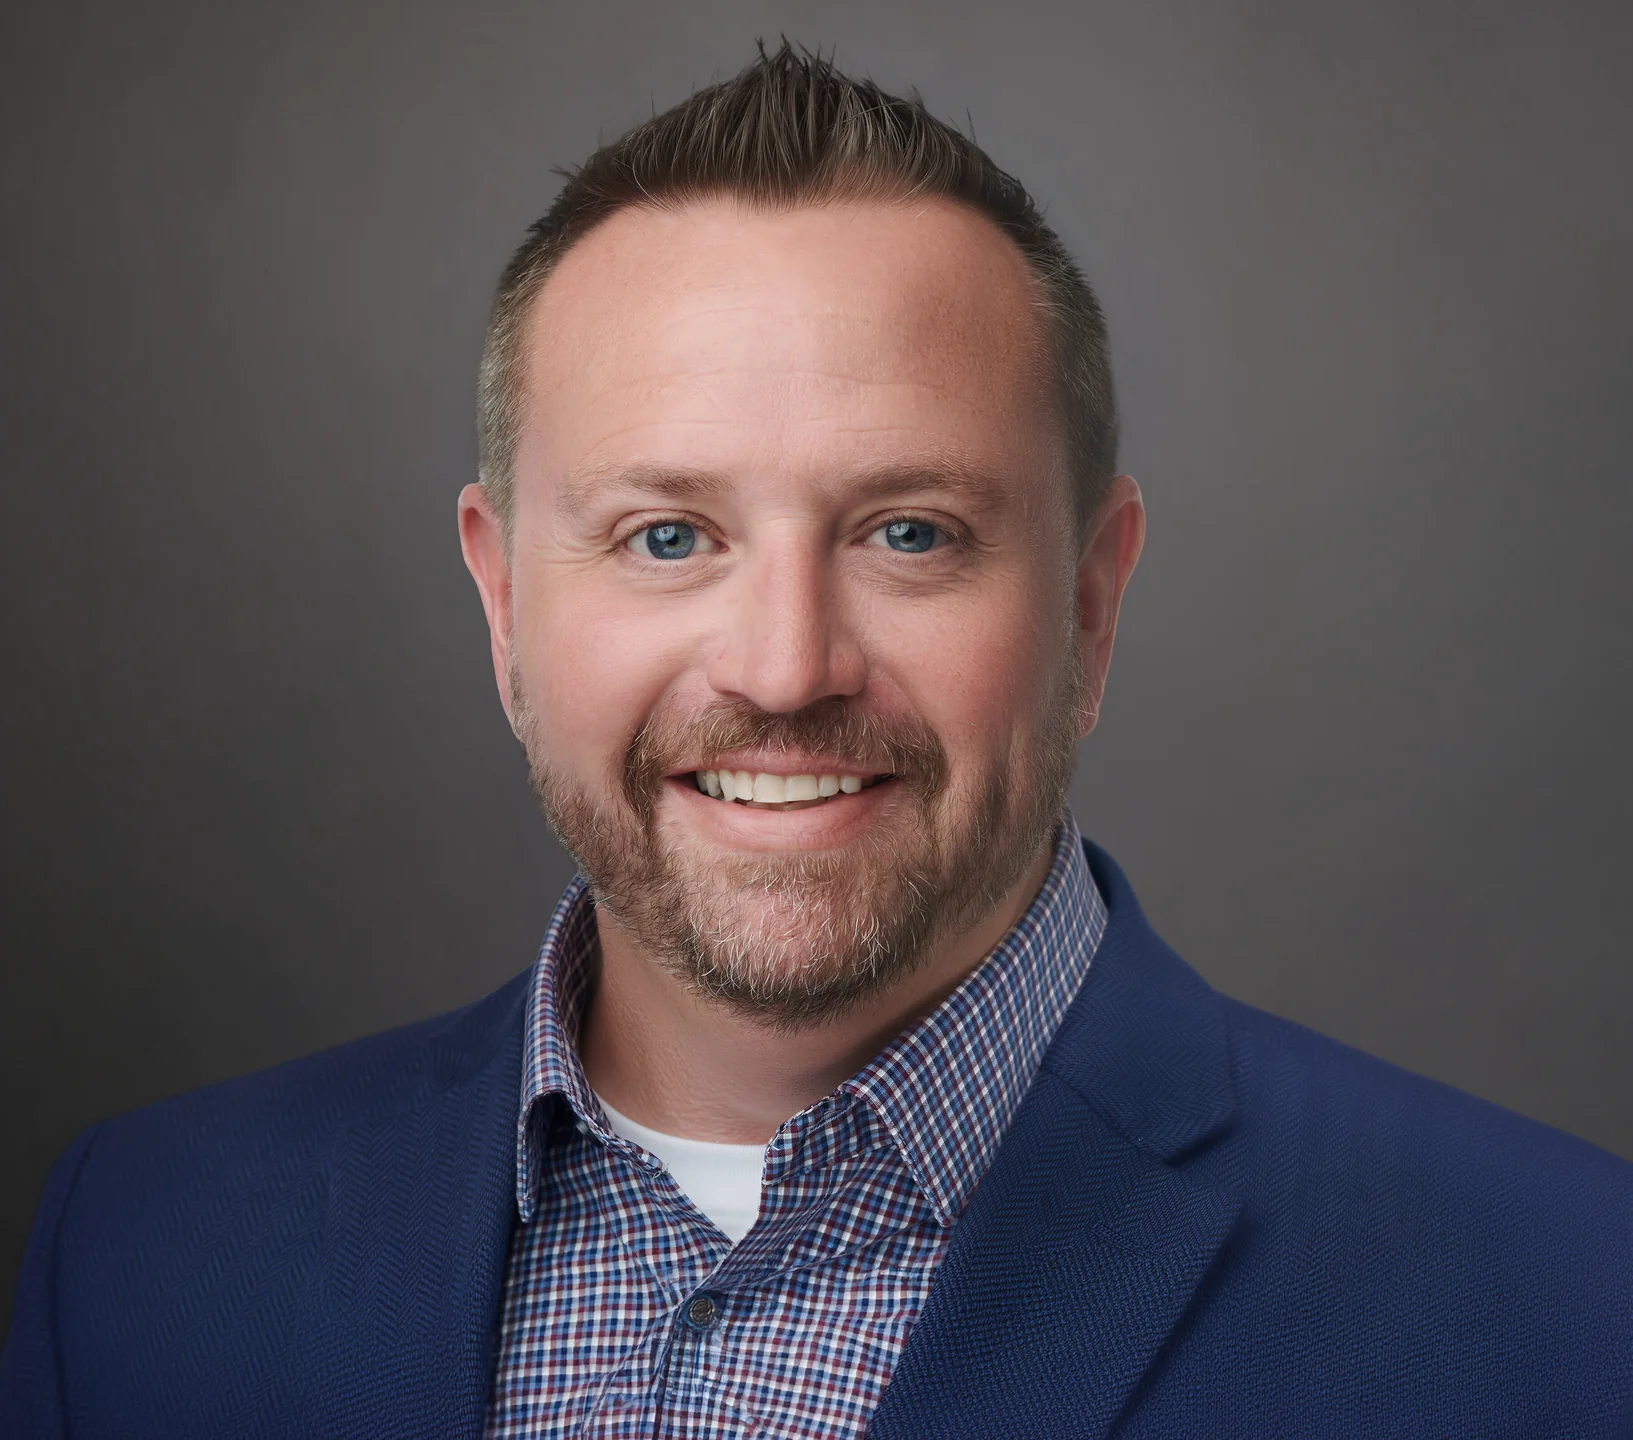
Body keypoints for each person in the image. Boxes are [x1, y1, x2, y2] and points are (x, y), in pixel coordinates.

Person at [3, 41, 1629, 1440]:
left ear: (1090, 602)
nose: (785, 669)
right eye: (666, 537)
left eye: (910, 533)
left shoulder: (1561, 1302)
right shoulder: (141, 1250)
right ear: (503, 602)